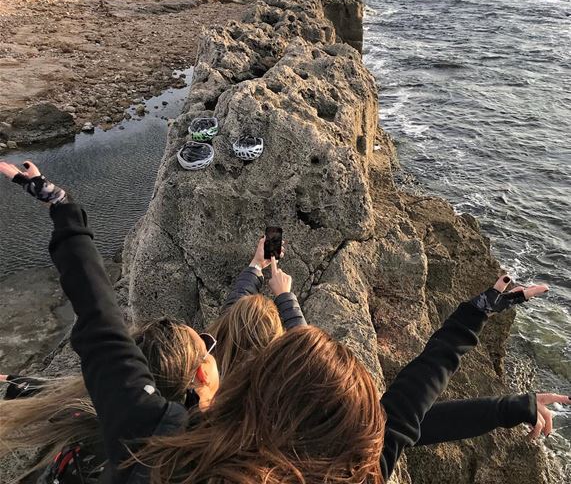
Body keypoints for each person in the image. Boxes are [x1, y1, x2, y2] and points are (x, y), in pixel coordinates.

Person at [0, 160, 565, 484]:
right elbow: (415, 398)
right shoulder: (357, 470)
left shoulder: (151, 440)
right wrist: (483, 317)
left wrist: (59, 204)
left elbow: (99, 323)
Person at [0, 318, 219, 483]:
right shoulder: (206, 456)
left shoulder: (104, 423)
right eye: (208, 346)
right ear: (202, 373)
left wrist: (20, 382)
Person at [208, 237, 306, 378]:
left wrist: (256, 264)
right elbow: (305, 351)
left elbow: (232, 313)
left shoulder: (211, 360)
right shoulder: (274, 380)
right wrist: (285, 295)